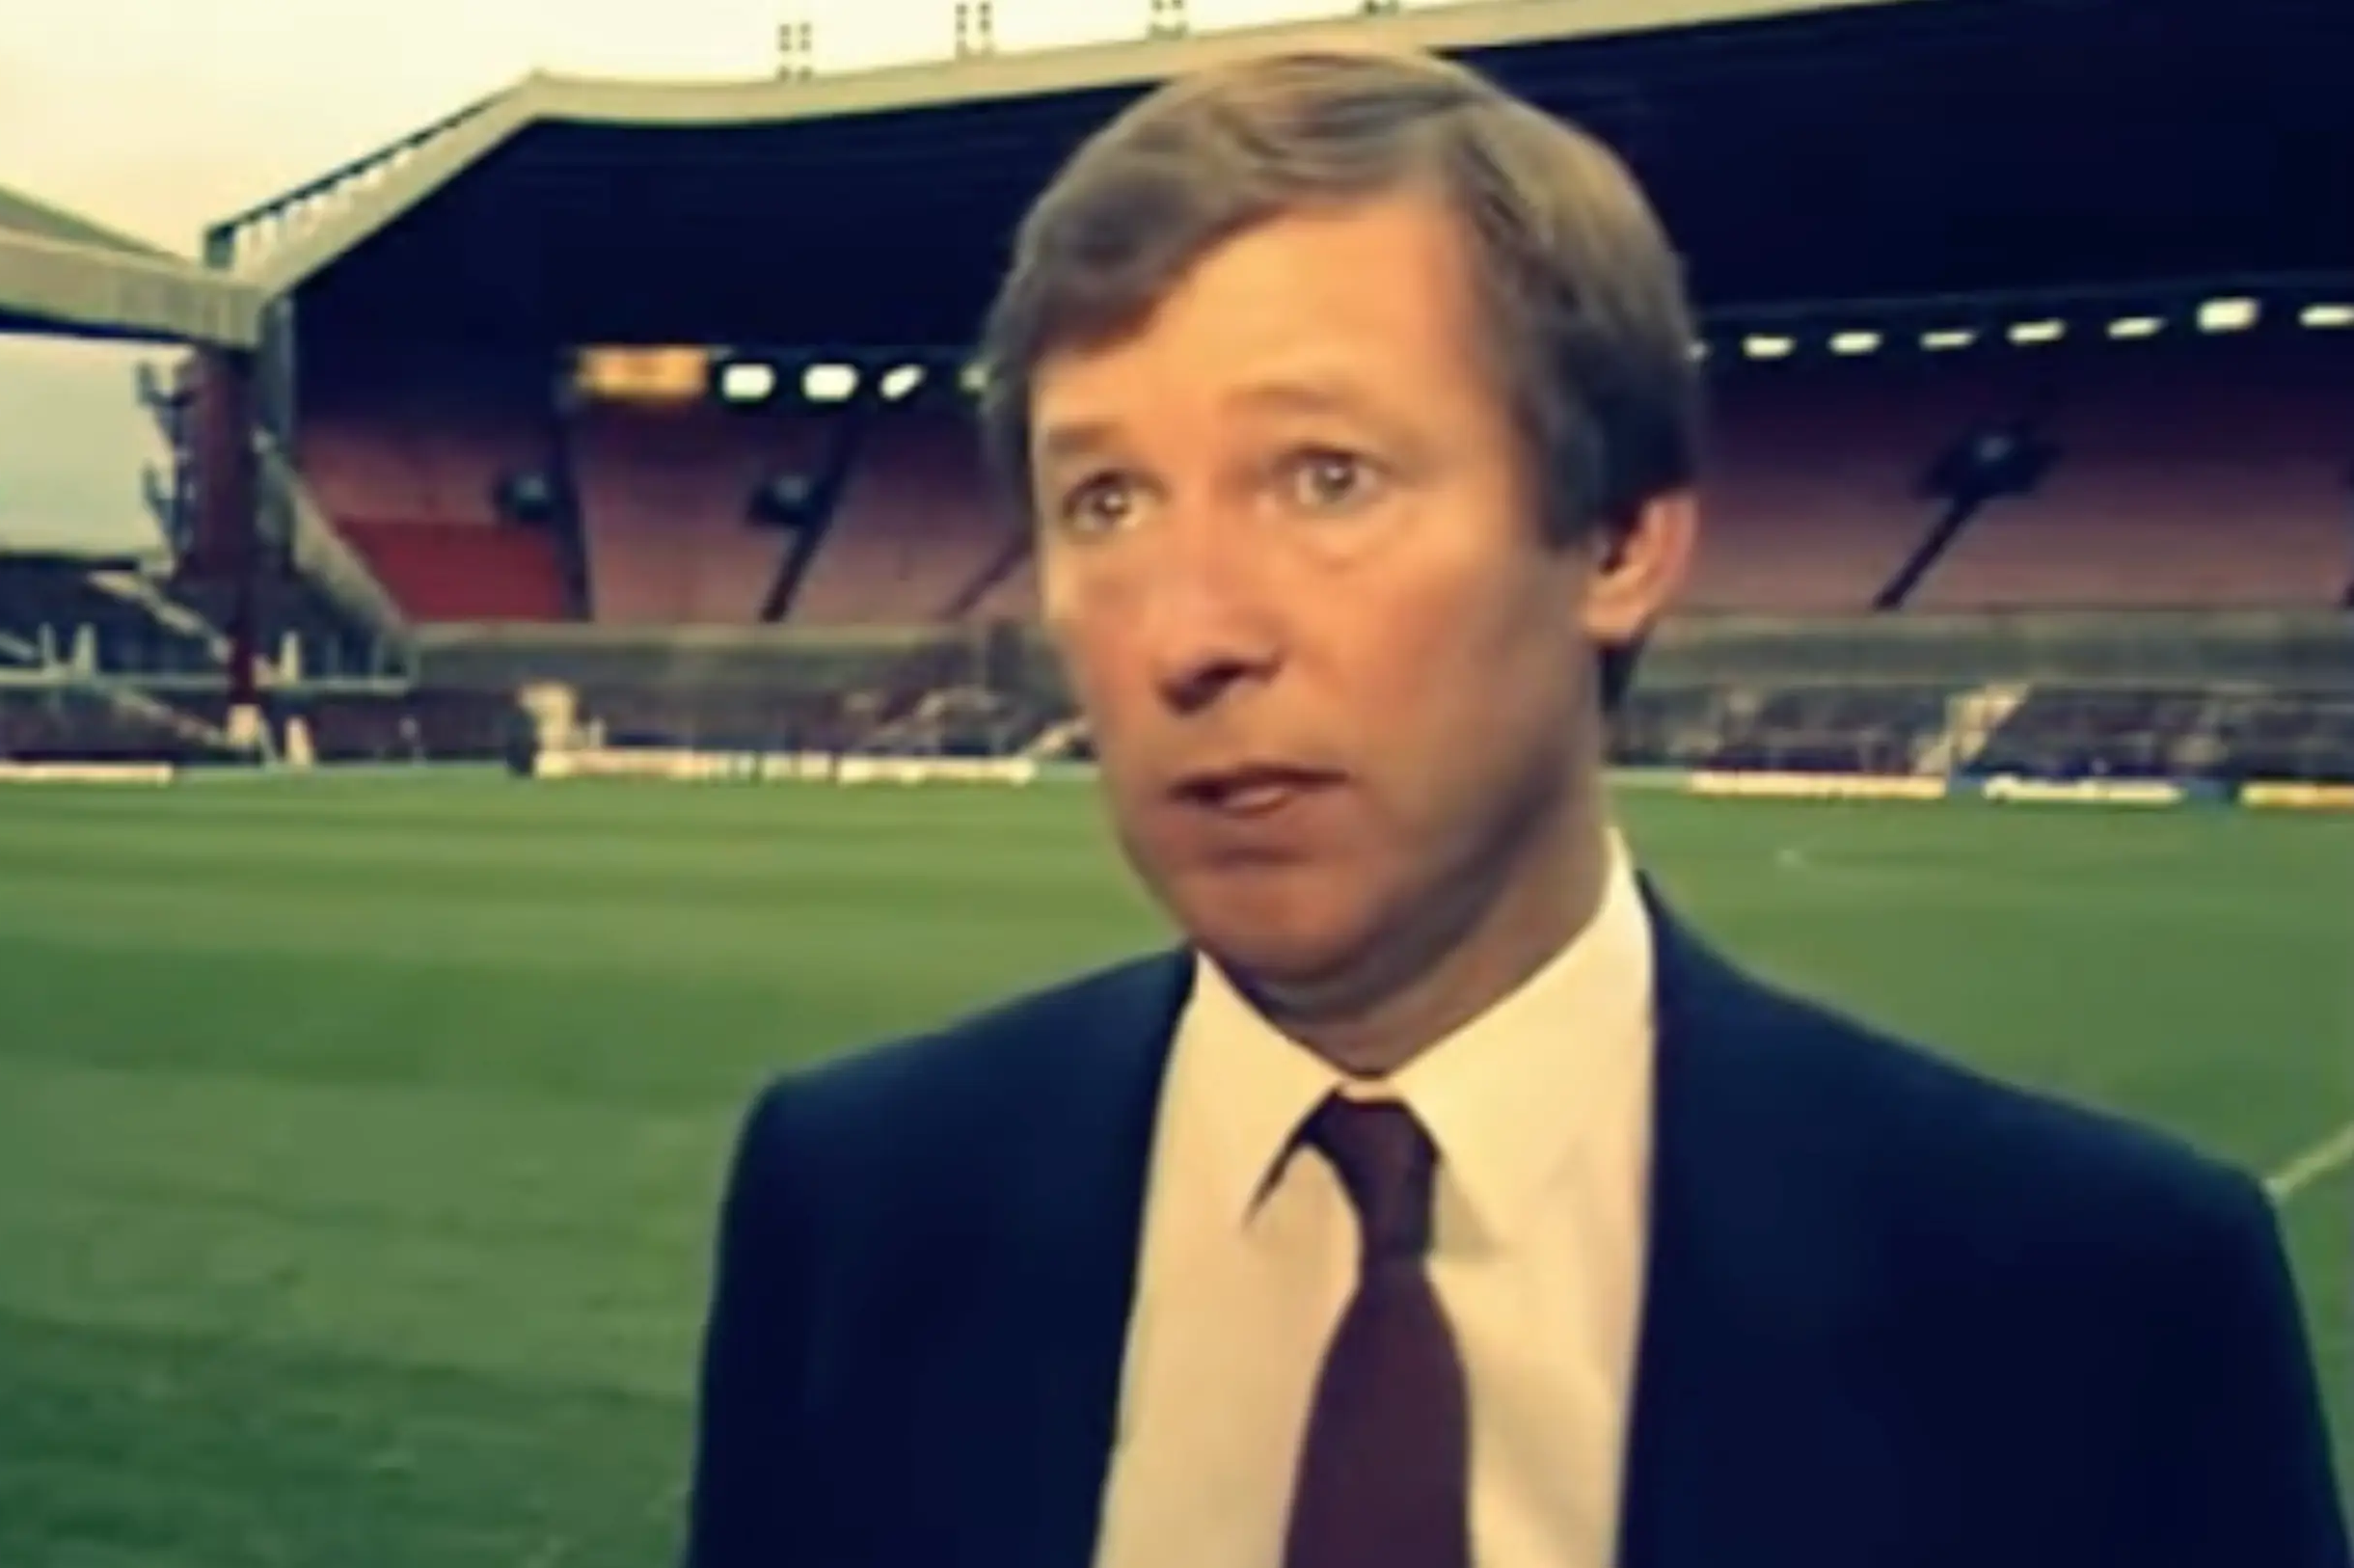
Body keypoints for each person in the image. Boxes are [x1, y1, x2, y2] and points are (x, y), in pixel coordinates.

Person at [682, 45, 2347, 1568]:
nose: (1189, 630)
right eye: (1104, 497)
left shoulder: (2106, 1308)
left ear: (1617, 540)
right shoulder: (859, 1205)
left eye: (1325, 474)